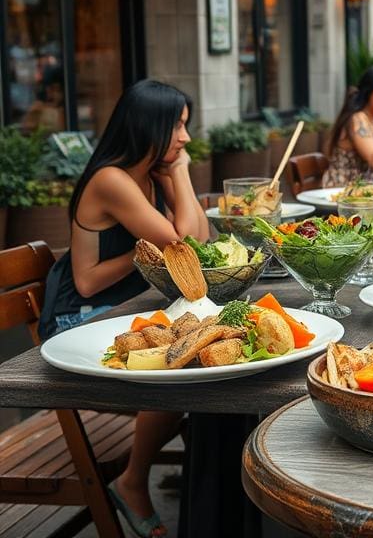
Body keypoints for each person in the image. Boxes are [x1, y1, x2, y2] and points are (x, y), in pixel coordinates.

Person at [38, 79, 210, 537]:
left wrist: (174, 175)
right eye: (179, 127)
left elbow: (197, 239)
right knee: (180, 374)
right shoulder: (112, 179)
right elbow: (91, 278)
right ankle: (133, 481)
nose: (185, 139)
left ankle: (207, 489)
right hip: (78, 319)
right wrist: (179, 178)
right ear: (150, 126)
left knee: (203, 350)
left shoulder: (145, 175)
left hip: (126, 310)